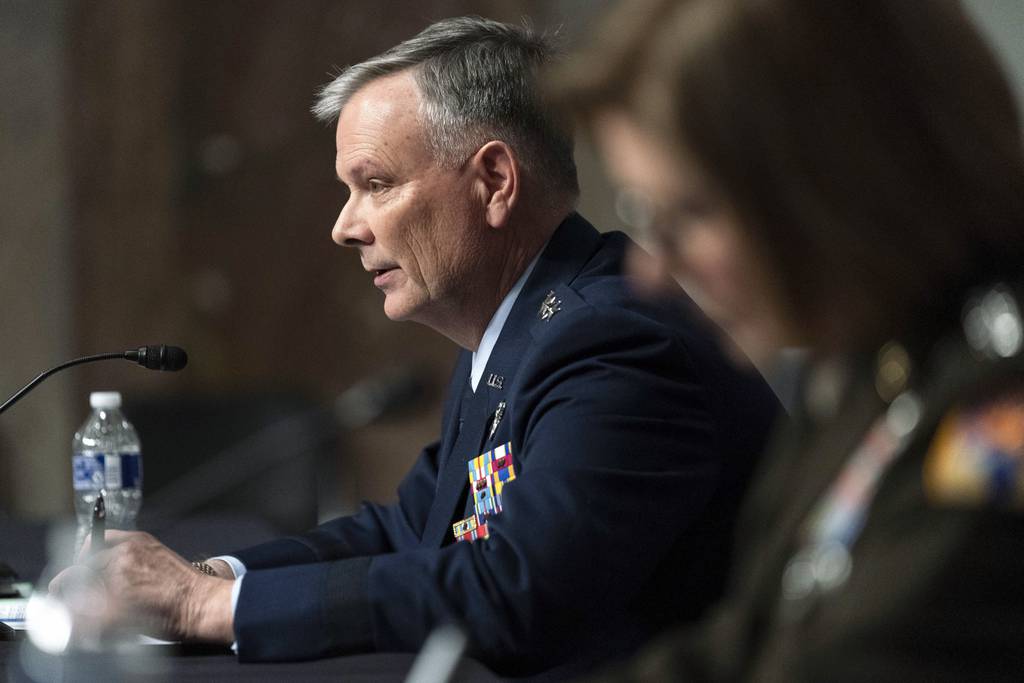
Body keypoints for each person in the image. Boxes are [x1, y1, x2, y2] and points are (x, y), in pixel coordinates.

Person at [50, 16, 780, 678]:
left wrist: (209, 607)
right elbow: (411, 532)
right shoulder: (518, 323)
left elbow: (516, 592)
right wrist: (209, 577)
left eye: (376, 184)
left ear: (494, 182)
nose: (345, 227)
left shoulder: (612, 344)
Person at [549, 0, 1024, 680]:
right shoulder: (876, 355)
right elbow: (744, 645)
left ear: (839, 181)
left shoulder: (998, 411)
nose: (652, 273)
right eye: (644, 215)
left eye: (692, 212)